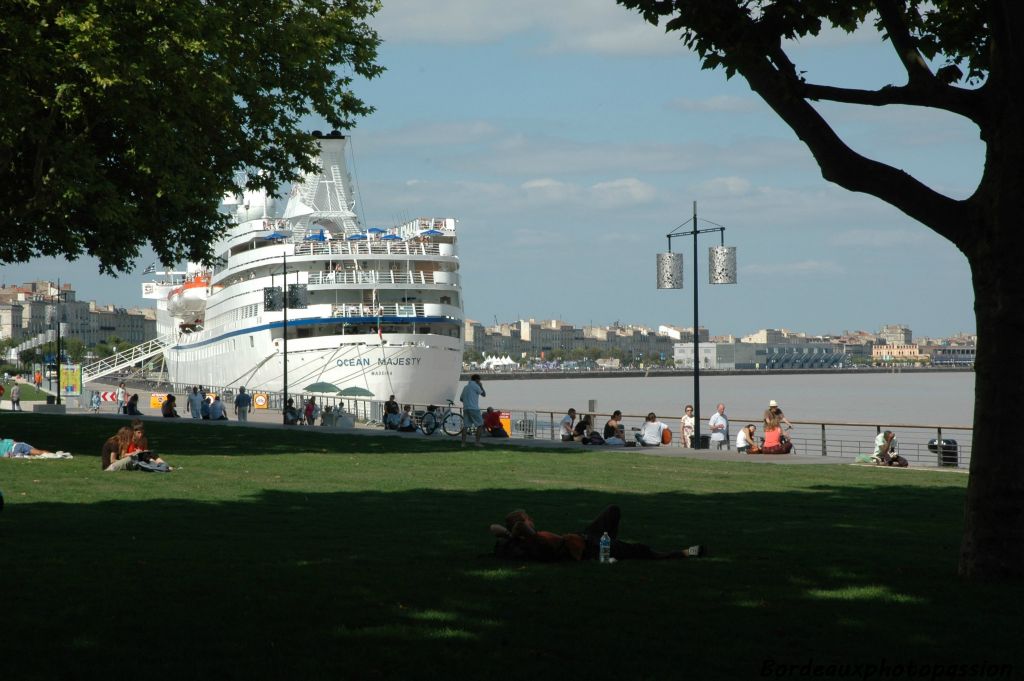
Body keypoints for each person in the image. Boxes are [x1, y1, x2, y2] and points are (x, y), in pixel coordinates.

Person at [490, 504, 705, 562]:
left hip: (584, 537)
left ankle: (613, 544)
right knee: (642, 550)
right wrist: (516, 530)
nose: (532, 519)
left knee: (612, 511)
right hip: (589, 547)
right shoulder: (533, 540)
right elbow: (519, 528)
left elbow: (494, 528)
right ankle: (687, 552)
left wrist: (510, 533)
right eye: (528, 517)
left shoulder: (521, 540)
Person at [459, 374, 486, 447]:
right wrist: (481, 386)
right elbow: (483, 394)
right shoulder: (476, 386)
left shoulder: (465, 387)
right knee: (480, 425)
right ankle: (477, 442)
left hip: (466, 408)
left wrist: (467, 401)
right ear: (477, 380)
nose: (480, 381)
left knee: (465, 426)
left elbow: (461, 399)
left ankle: (463, 443)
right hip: (474, 408)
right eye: (479, 380)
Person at [1, 438, 68, 458]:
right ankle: (57, 456)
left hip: (17, 447)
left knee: (39, 453)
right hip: (13, 453)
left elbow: (15, 443)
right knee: (38, 453)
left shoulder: (6, 440)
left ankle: (57, 455)